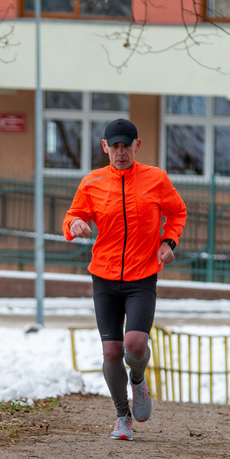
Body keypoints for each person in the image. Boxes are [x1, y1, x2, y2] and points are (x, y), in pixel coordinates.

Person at [63, 118, 187, 440]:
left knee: (134, 345)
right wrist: (75, 224)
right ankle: (122, 416)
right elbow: (72, 216)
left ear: (137, 146)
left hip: (142, 275)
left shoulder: (156, 179)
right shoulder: (92, 183)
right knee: (111, 352)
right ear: (105, 147)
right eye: (114, 146)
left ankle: (138, 380)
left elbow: (177, 212)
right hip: (104, 277)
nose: (120, 152)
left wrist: (168, 242)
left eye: (126, 146)